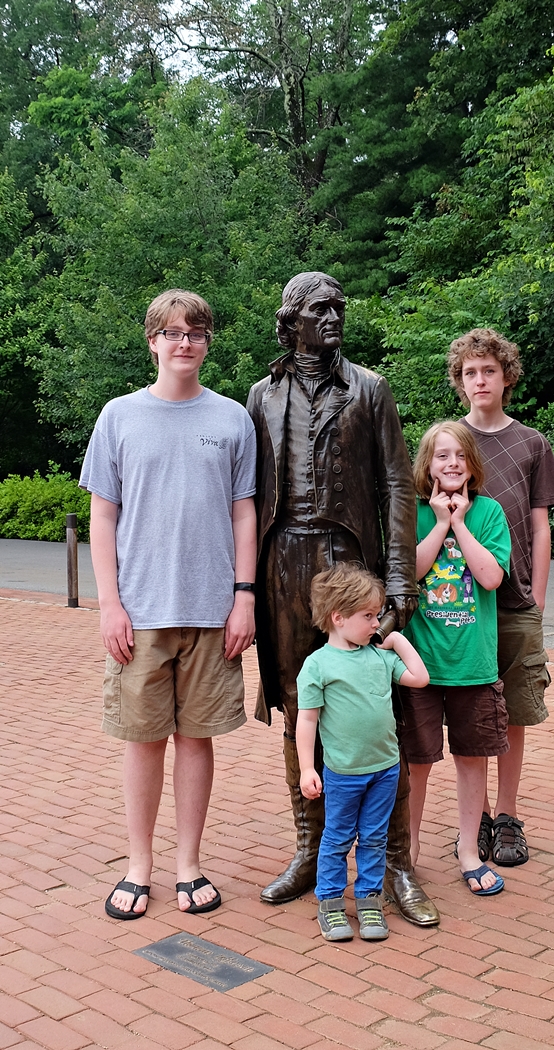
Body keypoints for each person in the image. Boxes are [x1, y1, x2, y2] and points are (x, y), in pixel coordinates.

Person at [246, 272, 439, 926]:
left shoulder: (371, 389)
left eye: (339, 308)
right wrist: (245, 589)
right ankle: (310, 850)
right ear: (291, 320)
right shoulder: (261, 395)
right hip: (282, 565)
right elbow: (247, 501)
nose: (334, 317)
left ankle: (396, 864)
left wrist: (399, 582)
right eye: (320, 309)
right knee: (303, 705)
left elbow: (396, 487)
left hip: (348, 562)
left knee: (377, 709)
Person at [80, 289, 257, 919]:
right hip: (141, 612)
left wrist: (244, 597)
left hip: (213, 612)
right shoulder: (118, 417)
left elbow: (244, 513)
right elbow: (104, 516)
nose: (186, 342)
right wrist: (109, 605)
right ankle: (138, 867)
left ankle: (189, 865)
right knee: (142, 740)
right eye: (174, 332)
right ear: (152, 340)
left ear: (208, 342)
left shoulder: (233, 418)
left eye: (198, 332)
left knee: (195, 740)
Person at [449, 328, 554, 867]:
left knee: (514, 711)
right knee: (471, 712)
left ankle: (508, 816)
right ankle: (472, 822)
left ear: (506, 376)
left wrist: (537, 597)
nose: (480, 380)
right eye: (470, 372)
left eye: (488, 370)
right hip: (461, 604)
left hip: (516, 603)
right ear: (460, 381)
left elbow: (540, 527)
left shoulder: (531, 444)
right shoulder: (450, 443)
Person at [401, 422, 512, 895]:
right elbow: (411, 571)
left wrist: (461, 523)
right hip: (420, 666)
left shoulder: (489, 512)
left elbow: (490, 577)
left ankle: (469, 849)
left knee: (473, 759)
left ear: (472, 464)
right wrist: (441, 521)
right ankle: (407, 852)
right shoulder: (412, 514)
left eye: (459, 456)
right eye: (441, 456)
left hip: (473, 663)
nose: (451, 464)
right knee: (415, 762)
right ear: (426, 465)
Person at [296, 565, 429, 941]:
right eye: (368, 616)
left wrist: (399, 643)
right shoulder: (318, 665)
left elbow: (420, 679)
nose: (376, 623)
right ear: (338, 618)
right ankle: (331, 903)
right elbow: (306, 723)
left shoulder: (380, 658)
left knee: (374, 837)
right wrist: (308, 768)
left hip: (385, 770)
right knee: (336, 838)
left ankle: (369, 899)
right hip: (343, 772)